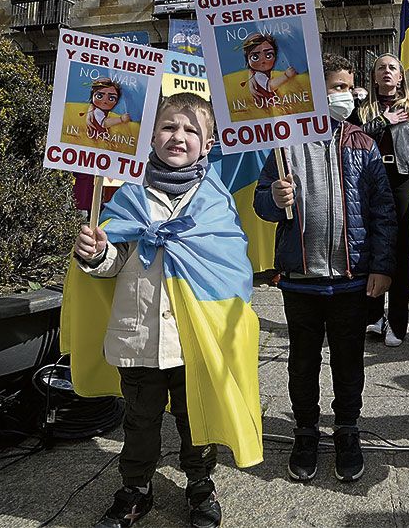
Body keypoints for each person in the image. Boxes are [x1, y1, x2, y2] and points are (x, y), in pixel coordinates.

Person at [68, 92, 262, 528]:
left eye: (192, 130)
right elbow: (109, 266)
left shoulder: (216, 202)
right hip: (139, 338)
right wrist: (96, 253)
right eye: (170, 127)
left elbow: (231, 270)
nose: (179, 136)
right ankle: (135, 489)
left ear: (208, 144)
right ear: (150, 136)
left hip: (197, 341)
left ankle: (200, 486)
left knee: (197, 419)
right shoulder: (127, 197)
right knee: (139, 422)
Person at [255, 53, 397, 483]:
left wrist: (382, 266)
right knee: (301, 362)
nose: (347, 95)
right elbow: (261, 202)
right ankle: (304, 431)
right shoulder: (284, 143)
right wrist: (273, 200)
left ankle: (347, 429)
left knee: (349, 360)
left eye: (350, 87)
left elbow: (383, 210)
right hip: (301, 280)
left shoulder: (363, 142)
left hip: (352, 280)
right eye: (336, 87)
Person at [353, 53, 409, 347]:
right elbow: (354, 139)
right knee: (371, 246)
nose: (386, 72)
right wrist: (382, 122)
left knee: (400, 253)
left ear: (400, 77)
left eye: (392, 68)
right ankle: (373, 316)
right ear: (373, 77)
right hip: (370, 179)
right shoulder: (361, 111)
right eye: (380, 68)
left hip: (403, 181)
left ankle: (397, 323)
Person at [242, 32, 298, 103]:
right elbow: (270, 86)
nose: (263, 61)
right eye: (255, 57)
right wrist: (286, 76)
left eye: (268, 55)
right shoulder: (258, 75)